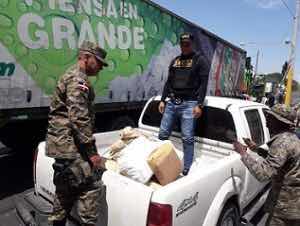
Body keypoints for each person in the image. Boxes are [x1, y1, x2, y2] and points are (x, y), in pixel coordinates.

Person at [45, 41, 108, 226]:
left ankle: (56, 222)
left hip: (63, 145)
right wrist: (92, 153)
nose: (100, 68)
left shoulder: (73, 77)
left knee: (65, 189)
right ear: (86, 57)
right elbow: (79, 118)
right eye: (99, 62)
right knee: (92, 184)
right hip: (71, 146)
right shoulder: (77, 80)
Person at [233, 104, 300, 226]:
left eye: (269, 117)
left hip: (285, 208)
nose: (266, 121)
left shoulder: (282, 143)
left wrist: (243, 153)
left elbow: (263, 174)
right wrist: (256, 149)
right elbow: (281, 161)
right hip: (293, 205)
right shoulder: (291, 139)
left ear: (278, 121)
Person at [158, 33, 210, 175]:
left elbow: (203, 84)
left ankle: (186, 167)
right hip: (172, 102)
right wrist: (163, 100)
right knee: (162, 134)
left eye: (187, 44)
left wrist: (199, 105)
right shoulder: (175, 60)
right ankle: (160, 163)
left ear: (192, 44)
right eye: (182, 44)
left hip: (190, 103)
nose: (185, 46)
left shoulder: (200, 60)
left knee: (187, 137)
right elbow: (168, 82)